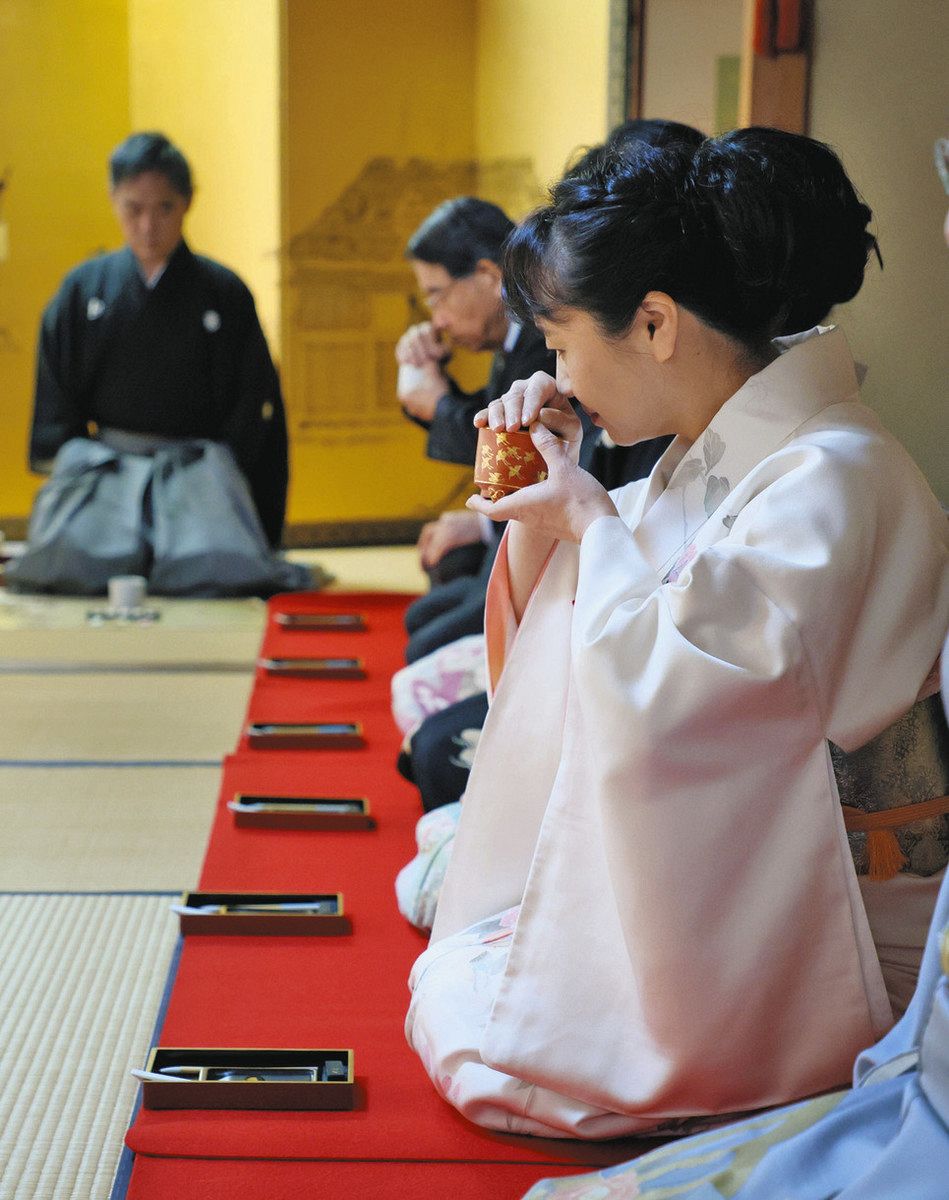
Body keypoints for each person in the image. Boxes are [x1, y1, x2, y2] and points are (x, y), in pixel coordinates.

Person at [405, 127, 949, 1139]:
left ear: (654, 323)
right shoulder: (719, 454)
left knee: (487, 1040)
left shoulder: (834, 476)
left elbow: (680, 709)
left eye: (563, 342)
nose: (558, 370)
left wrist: (585, 520)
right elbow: (595, 641)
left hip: (835, 912)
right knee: (458, 970)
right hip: (745, 860)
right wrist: (547, 492)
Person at [8, 132, 311, 597]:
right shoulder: (83, 288)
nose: (149, 225)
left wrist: (234, 478)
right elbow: (58, 393)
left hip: (194, 469)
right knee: (64, 564)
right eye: (134, 208)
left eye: (164, 208)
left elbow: (252, 397)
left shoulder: (223, 292)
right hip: (106, 466)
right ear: (113, 200)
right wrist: (69, 459)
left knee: (219, 568)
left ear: (188, 203)